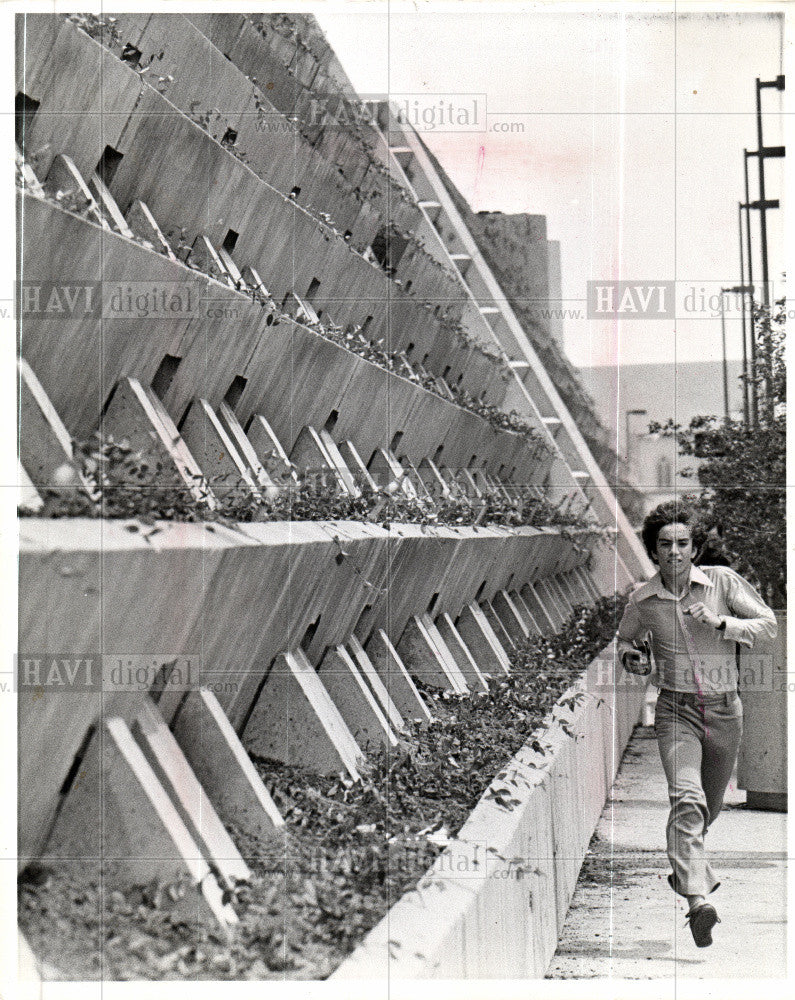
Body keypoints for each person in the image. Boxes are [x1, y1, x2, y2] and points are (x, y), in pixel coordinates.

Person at [616, 501, 777, 948]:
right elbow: (627, 638)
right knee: (686, 802)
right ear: (653, 548)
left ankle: (686, 872)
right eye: (664, 544)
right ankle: (697, 903)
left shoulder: (722, 583)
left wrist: (722, 622)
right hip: (675, 711)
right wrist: (634, 656)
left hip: (726, 711)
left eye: (682, 543)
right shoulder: (643, 600)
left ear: (694, 546)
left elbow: (768, 627)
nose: (674, 552)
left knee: (708, 808)